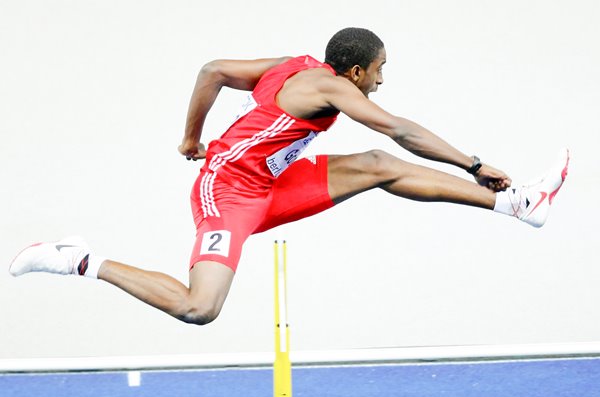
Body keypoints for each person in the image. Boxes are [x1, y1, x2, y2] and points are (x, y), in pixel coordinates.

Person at [10, 27, 569, 325]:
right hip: (227, 190)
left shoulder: (296, 64)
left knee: (377, 169)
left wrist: (189, 137)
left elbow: (214, 71)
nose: (380, 82)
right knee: (198, 309)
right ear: (355, 71)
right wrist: (473, 162)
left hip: (273, 183)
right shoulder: (332, 88)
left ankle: (517, 205)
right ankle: (78, 259)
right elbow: (398, 128)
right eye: (378, 72)